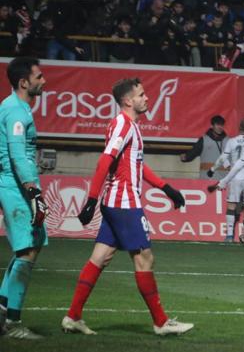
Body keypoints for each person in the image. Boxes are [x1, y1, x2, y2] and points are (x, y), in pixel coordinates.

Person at [61, 78, 193, 336]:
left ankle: (73, 316)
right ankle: (161, 322)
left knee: (100, 257)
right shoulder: (123, 124)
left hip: (115, 203)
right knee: (145, 259)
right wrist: (90, 200)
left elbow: (136, 165)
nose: (147, 98)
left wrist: (166, 188)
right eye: (142, 95)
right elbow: (105, 161)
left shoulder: (127, 125)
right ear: (127, 100)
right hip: (124, 204)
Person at [0, 57, 48, 339]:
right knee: (28, 250)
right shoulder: (17, 113)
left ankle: (3, 314)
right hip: (17, 186)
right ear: (24, 82)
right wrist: (33, 192)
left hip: (15, 184)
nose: (43, 81)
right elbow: (18, 154)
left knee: (28, 248)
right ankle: (13, 323)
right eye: (39, 76)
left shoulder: (14, 108)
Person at [212, 118, 244, 242]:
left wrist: (228, 167)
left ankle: (229, 236)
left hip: (235, 177)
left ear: (239, 127)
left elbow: (223, 158)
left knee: (231, 205)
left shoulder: (232, 141)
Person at [180, 115, 229, 180]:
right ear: (211, 126)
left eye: (222, 125)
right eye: (218, 124)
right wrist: (185, 157)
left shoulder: (229, 141)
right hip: (206, 180)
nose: (220, 127)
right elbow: (192, 153)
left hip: (223, 181)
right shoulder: (204, 140)